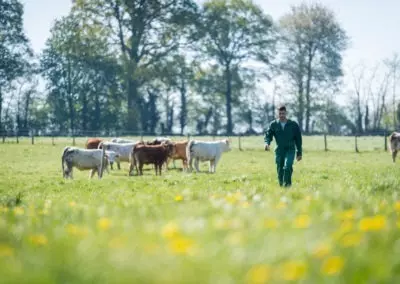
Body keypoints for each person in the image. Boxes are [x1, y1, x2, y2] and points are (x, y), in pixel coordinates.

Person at [264, 106, 302, 187]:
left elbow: (298, 139)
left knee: (288, 166)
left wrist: (299, 153)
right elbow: (268, 135)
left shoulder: (293, 124)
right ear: (278, 114)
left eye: (283, 113)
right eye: (280, 113)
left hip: (290, 149)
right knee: (280, 169)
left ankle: (287, 185)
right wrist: (267, 143)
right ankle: (282, 186)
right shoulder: (274, 124)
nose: (281, 115)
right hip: (279, 150)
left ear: (286, 113)